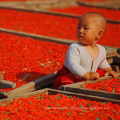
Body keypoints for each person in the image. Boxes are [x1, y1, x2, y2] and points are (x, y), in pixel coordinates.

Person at [54, 12, 119, 89]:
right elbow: (73, 65)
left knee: (102, 72)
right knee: (64, 80)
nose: (81, 31)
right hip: (72, 75)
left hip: (89, 76)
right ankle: (71, 87)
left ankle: (89, 82)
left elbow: (102, 62)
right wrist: (87, 76)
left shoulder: (101, 50)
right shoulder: (75, 47)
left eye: (85, 28)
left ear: (99, 34)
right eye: (79, 27)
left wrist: (108, 69)